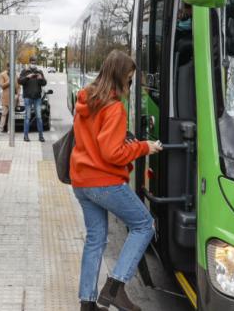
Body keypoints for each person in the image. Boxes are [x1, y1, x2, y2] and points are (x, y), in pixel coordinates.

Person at [70, 50, 163, 311]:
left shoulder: (85, 100)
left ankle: (87, 304)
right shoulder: (114, 108)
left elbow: (90, 141)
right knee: (144, 224)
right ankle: (115, 287)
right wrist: (144, 147)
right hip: (104, 182)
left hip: (81, 181)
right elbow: (112, 153)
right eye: (130, 79)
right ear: (121, 77)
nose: (130, 85)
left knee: (95, 239)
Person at [18, 56, 47, 142]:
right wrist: (27, 77)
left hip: (37, 98)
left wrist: (41, 79)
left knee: (39, 117)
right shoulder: (25, 71)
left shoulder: (39, 72)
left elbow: (44, 83)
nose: (33, 64)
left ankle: (41, 136)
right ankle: (26, 136)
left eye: (35, 63)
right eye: (32, 62)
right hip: (27, 97)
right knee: (27, 117)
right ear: (29, 62)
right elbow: (19, 81)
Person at [0, 67, 11, 135]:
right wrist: (8, 82)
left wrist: (18, 94)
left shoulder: (14, 74)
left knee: (11, 115)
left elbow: (17, 86)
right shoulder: (3, 75)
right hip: (5, 97)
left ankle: (10, 130)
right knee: (4, 114)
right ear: (8, 67)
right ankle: (0, 129)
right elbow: (2, 86)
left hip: (13, 98)